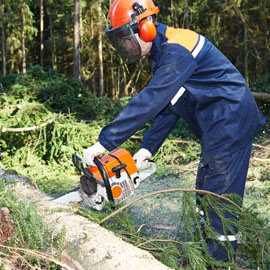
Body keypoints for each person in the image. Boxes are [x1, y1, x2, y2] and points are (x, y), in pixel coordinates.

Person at [83, 0, 265, 263]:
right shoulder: (163, 57)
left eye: (127, 38)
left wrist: (105, 142)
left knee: (218, 200)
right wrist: (147, 148)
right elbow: (171, 105)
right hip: (216, 126)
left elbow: (152, 100)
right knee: (204, 191)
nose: (126, 46)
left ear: (144, 27)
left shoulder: (178, 49)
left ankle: (220, 261)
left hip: (231, 122)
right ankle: (205, 253)